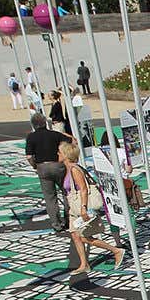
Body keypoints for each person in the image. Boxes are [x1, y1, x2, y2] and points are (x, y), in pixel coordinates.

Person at [60, 141, 126, 275]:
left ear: (66, 155)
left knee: (83, 236)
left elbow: (84, 189)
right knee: (75, 235)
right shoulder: (69, 168)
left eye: (59, 152)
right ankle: (84, 264)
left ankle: (116, 250)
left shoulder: (74, 169)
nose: (57, 154)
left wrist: (84, 208)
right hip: (73, 208)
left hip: (80, 206)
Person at [24, 113, 69, 230]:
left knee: (50, 197)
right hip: (57, 165)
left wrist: (35, 166)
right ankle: (69, 218)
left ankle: (56, 223)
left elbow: (29, 156)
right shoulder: (54, 134)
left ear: (33, 125)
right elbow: (70, 140)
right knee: (66, 192)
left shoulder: (31, 137)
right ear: (45, 123)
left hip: (42, 167)